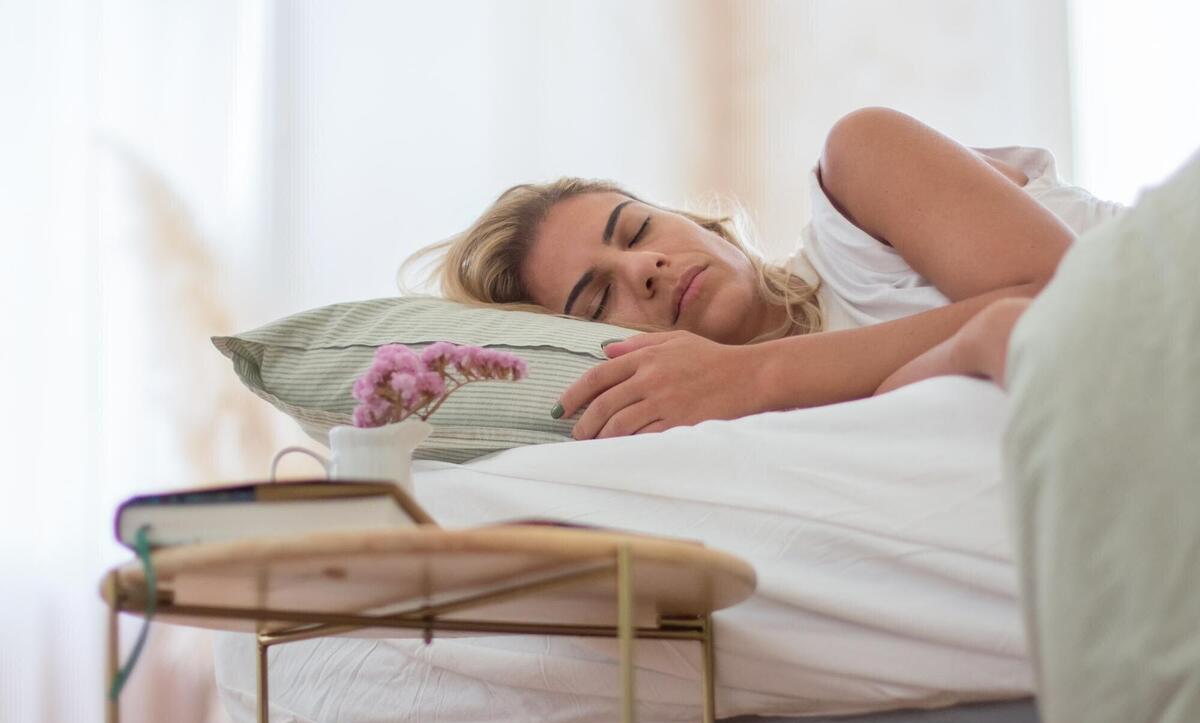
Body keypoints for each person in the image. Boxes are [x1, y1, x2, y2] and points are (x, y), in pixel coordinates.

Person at [404, 106, 1122, 438]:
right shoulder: (777, 440)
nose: (645, 266)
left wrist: (755, 374)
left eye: (639, 228)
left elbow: (1076, 305)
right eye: (598, 298)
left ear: (697, 221)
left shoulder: (859, 172)